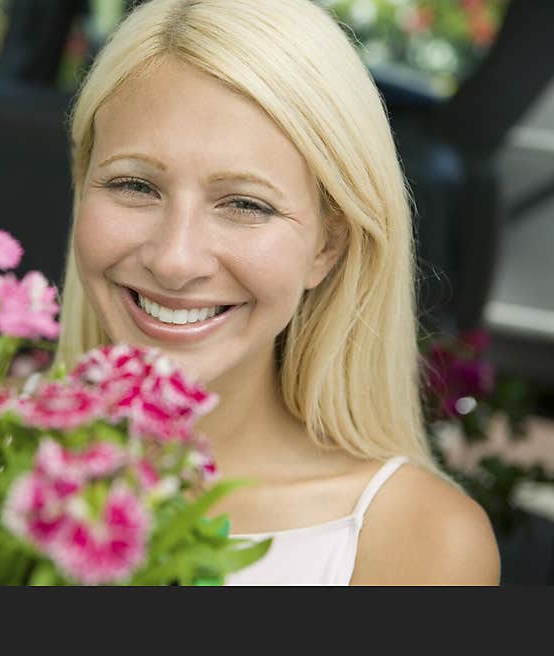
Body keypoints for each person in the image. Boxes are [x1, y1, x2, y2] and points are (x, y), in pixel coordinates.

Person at [50, 0, 500, 585]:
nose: (174, 260)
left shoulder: (420, 543)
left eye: (245, 204)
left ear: (326, 245)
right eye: (134, 185)